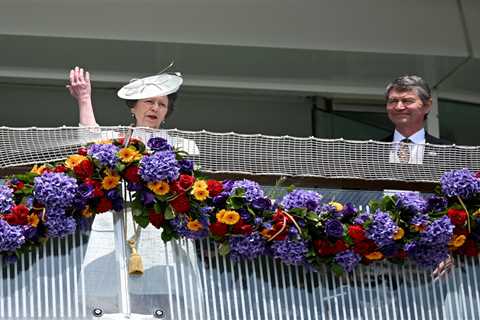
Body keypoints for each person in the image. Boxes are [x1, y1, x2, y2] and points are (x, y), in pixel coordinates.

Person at [67, 66, 202, 317]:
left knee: (167, 300)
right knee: (109, 300)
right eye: (149, 101)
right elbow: (90, 141)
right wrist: (84, 99)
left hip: (161, 233)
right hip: (115, 229)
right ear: (133, 107)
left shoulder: (183, 145)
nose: (155, 108)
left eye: (162, 104)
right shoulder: (117, 140)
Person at [380, 75, 450, 165]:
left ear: (427, 106)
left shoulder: (448, 152)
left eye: (407, 101)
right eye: (393, 101)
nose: (399, 107)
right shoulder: (370, 151)